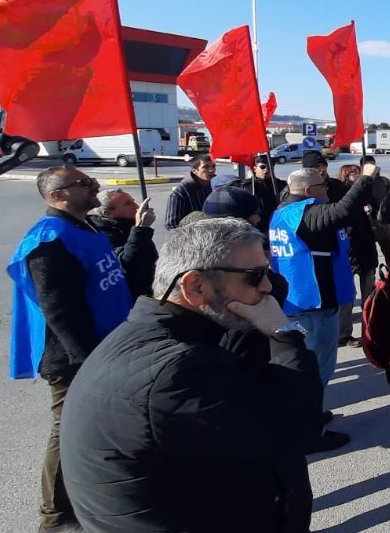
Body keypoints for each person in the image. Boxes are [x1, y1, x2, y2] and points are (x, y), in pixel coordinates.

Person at [60, 218, 325, 533]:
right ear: (195, 286)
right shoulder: (178, 372)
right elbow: (299, 428)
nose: (267, 286)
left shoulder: (152, 333)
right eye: (255, 276)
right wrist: (284, 333)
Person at [9, 167, 155, 532]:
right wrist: (90, 361)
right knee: (67, 430)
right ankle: (56, 516)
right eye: (84, 184)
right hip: (75, 356)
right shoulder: (49, 241)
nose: (95, 186)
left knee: (100, 428)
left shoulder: (83, 225)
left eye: (91, 181)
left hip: (108, 344)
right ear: (58, 195)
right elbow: (59, 310)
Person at [269, 164, 377, 451]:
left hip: (303, 303)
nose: (326, 189)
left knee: (312, 370)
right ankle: (309, 432)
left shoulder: (284, 213)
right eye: (322, 185)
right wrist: (365, 178)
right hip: (310, 306)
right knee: (314, 371)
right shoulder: (303, 213)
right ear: (308, 191)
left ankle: (311, 414)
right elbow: (339, 212)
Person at [336, 163, 378, 348]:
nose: (356, 176)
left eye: (357, 173)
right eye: (352, 174)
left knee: (369, 293)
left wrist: (371, 208)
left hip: (366, 247)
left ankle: (370, 329)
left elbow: (378, 212)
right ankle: (344, 333)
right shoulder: (343, 195)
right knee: (348, 296)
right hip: (349, 249)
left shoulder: (367, 192)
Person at [165, 154, 216, 229]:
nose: (211, 170)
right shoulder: (180, 193)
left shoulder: (217, 186)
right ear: (194, 170)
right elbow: (172, 224)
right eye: (206, 167)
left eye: (213, 166)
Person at [248, 154, 287, 231]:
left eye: (269, 167)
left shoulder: (281, 185)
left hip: (278, 225)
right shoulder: (248, 186)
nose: (266, 170)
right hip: (256, 227)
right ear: (254, 168)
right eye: (262, 167)